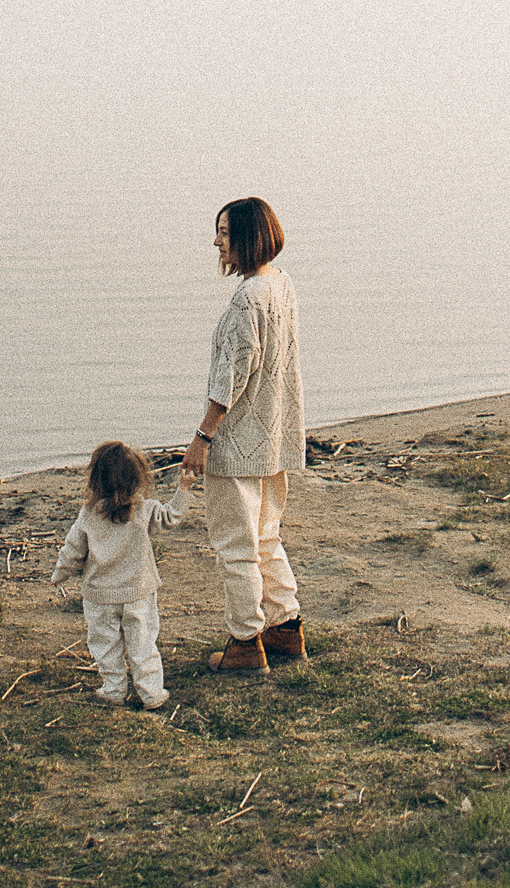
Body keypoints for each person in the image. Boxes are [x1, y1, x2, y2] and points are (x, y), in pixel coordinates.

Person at [182, 196, 306, 673]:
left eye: (224, 233)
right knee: (266, 537)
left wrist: (203, 437)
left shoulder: (247, 299)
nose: (216, 242)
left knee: (235, 547)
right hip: (273, 436)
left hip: (238, 443)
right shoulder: (282, 284)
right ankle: (286, 627)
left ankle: (245, 643)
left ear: (248, 237)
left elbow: (231, 376)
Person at [49, 439, 192, 709]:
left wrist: (60, 573)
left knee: (105, 645)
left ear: (95, 480)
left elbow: (73, 549)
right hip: (138, 592)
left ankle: (113, 690)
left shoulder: (89, 514)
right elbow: (171, 516)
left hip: (100, 596)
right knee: (143, 644)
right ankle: (152, 693)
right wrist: (183, 488)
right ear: (137, 479)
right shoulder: (144, 510)